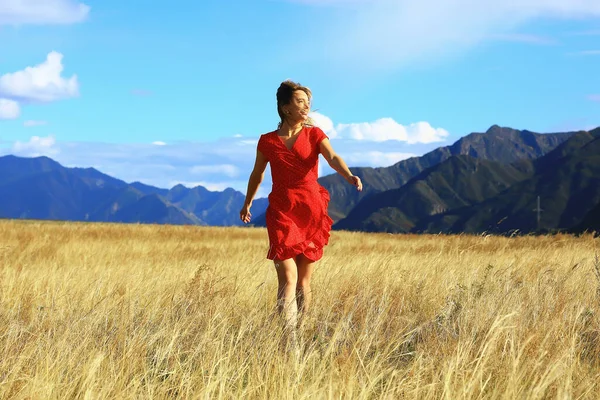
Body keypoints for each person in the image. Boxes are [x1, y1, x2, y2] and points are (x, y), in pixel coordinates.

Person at [240, 80, 362, 334]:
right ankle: (287, 338)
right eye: (300, 101)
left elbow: (332, 157)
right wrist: (248, 201)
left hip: (310, 210)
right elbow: (257, 174)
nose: (306, 106)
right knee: (287, 277)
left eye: (308, 102)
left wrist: (349, 175)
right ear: (285, 108)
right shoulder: (267, 141)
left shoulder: (315, 135)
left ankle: (302, 333)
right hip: (282, 211)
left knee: (304, 281)